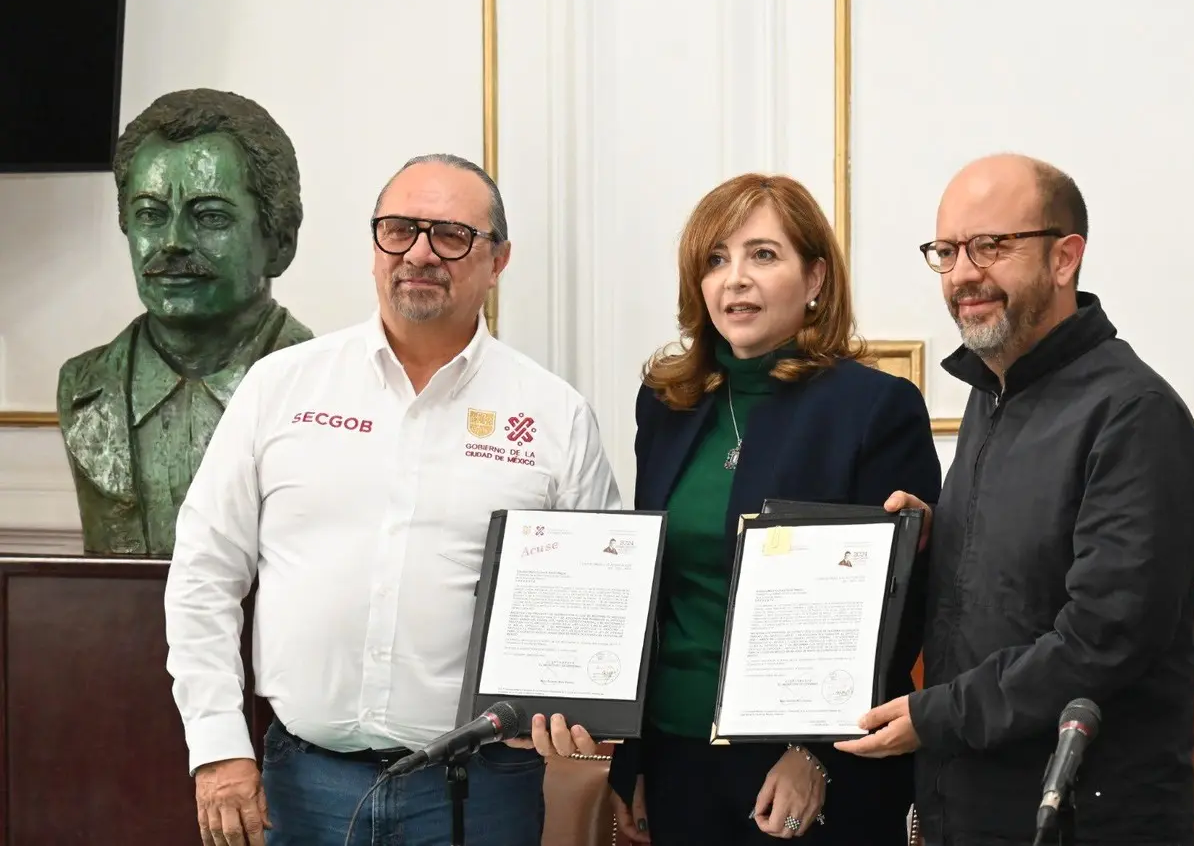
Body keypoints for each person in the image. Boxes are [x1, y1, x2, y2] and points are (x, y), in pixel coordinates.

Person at [164, 154, 619, 846]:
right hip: (301, 783)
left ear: (498, 259)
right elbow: (203, 572)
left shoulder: (555, 415)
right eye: (399, 229)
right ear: (375, 246)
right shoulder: (282, 387)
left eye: (451, 235)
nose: (420, 253)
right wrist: (219, 745)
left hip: (481, 792)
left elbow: (601, 598)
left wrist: (582, 704)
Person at [836, 154, 1194, 846]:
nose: (962, 273)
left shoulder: (1136, 412)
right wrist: (935, 534)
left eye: (990, 246)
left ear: (1065, 258)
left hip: (1082, 818)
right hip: (970, 805)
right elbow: (1022, 569)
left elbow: (1103, 637)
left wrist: (935, 715)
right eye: (946, 251)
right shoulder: (992, 393)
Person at [607, 173, 942, 845]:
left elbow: (898, 607)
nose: (735, 279)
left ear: (815, 276)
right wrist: (634, 759)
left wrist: (816, 748)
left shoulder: (874, 407)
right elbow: (656, 592)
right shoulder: (667, 405)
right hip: (676, 753)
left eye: (763, 255)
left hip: (811, 765)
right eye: (716, 258)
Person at [58, 88, 314, 557]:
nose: (172, 241)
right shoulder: (83, 388)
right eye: (150, 215)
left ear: (281, 243)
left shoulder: (332, 392)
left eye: (210, 216)